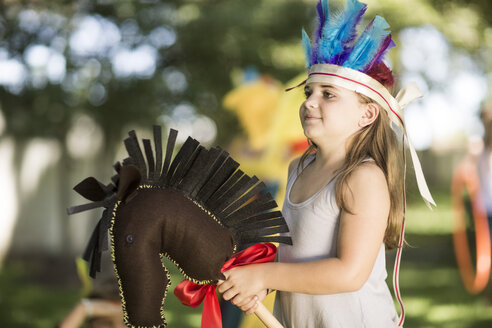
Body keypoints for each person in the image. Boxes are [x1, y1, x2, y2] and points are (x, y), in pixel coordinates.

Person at [217, 0, 435, 327]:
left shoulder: (364, 178)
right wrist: (261, 281)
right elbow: (297, 254)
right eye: (308, 91)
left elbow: (349, 273)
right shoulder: (298, 168)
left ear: (367, 114)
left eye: (328, 94)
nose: (309, 102)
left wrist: (264, 274)